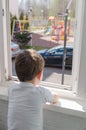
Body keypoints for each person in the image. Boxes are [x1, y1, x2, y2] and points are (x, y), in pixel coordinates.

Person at [8, 49, 58, 130]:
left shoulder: (12, 88)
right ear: (40, 74)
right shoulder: (41, 92)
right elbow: (54, 99)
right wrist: (56, 95)